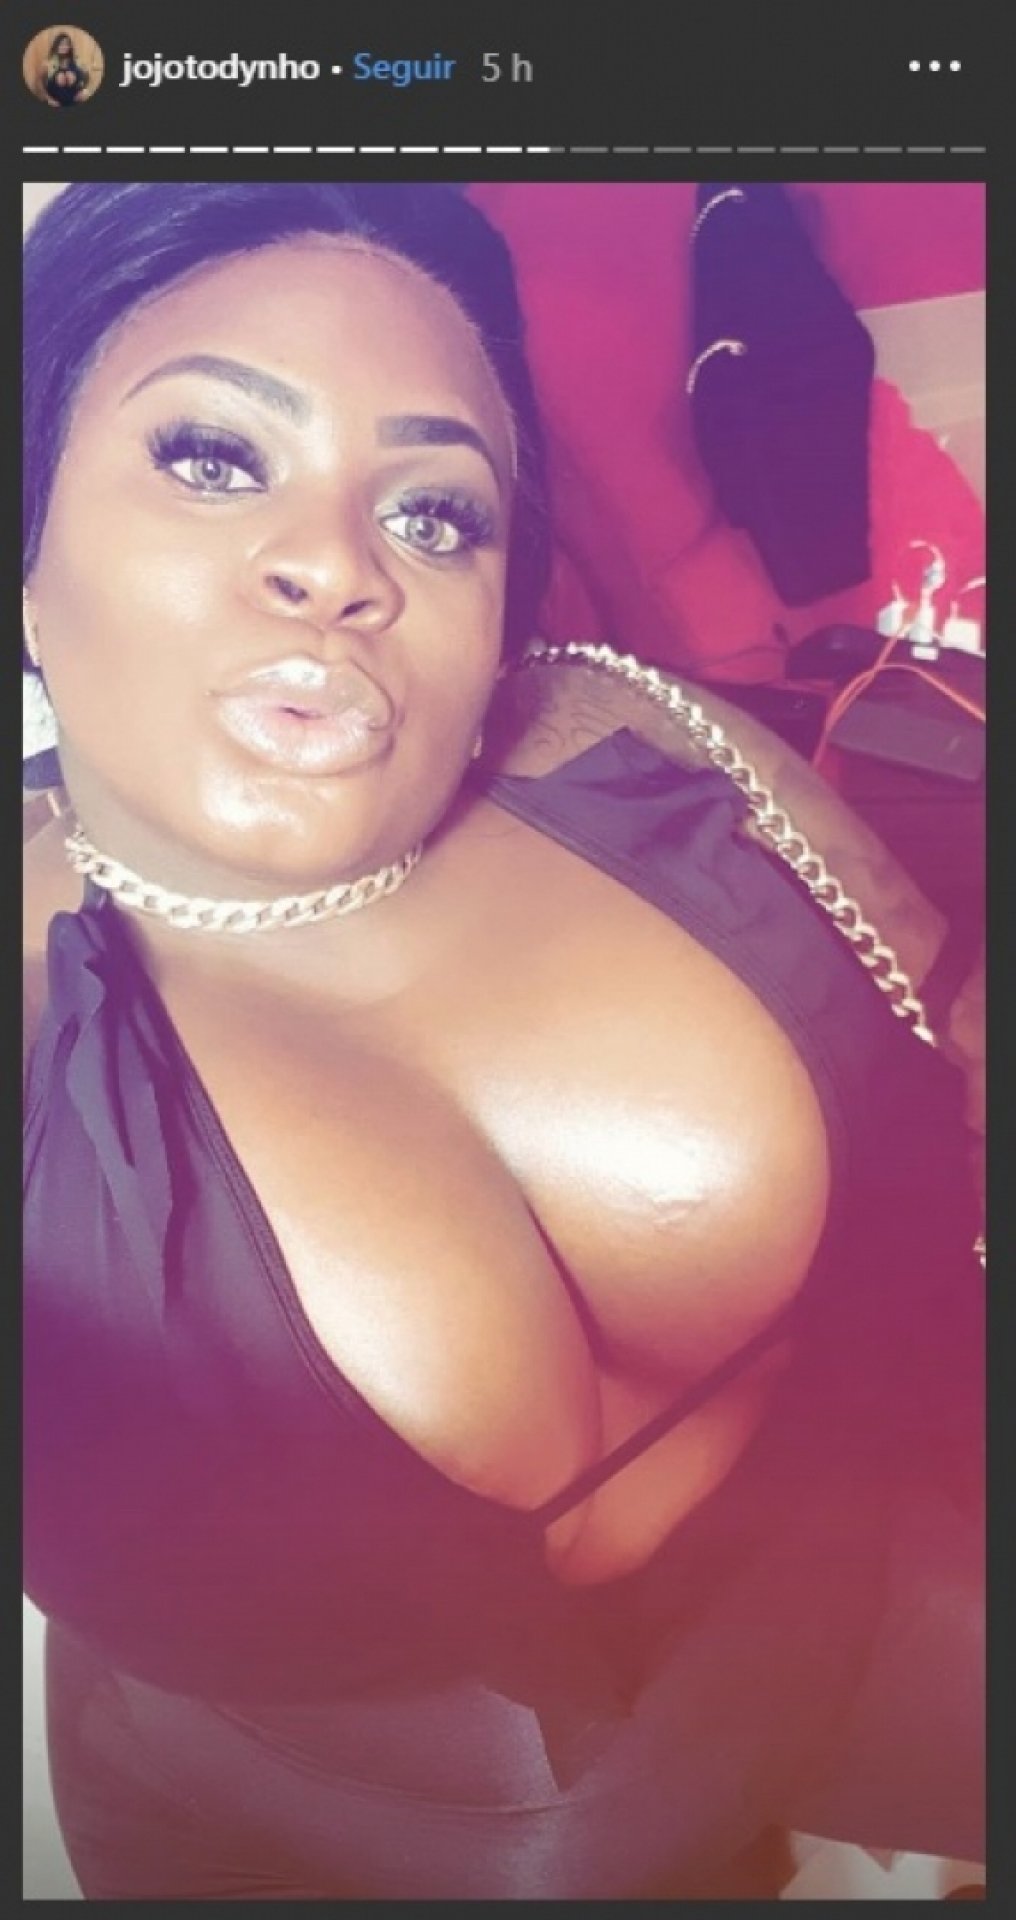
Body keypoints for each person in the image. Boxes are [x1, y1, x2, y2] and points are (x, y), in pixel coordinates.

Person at [22, 182, 984, 1900]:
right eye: (216, 457)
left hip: (837, 1612)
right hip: (306, 1826)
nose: (340, 567)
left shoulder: (633, 753)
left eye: (435, 510)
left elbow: (954, 1035)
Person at [42, 33, 88, 108]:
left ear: (70, 46)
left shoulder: (77, 61)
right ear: (56, 45)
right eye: (61, 44)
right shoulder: (48, 63)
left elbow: (87, 75)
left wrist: (84, 90)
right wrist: (49, 99)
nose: (64, 47)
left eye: (66, 44)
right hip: (55, 104)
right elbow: (40, 84)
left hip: (75, 103)